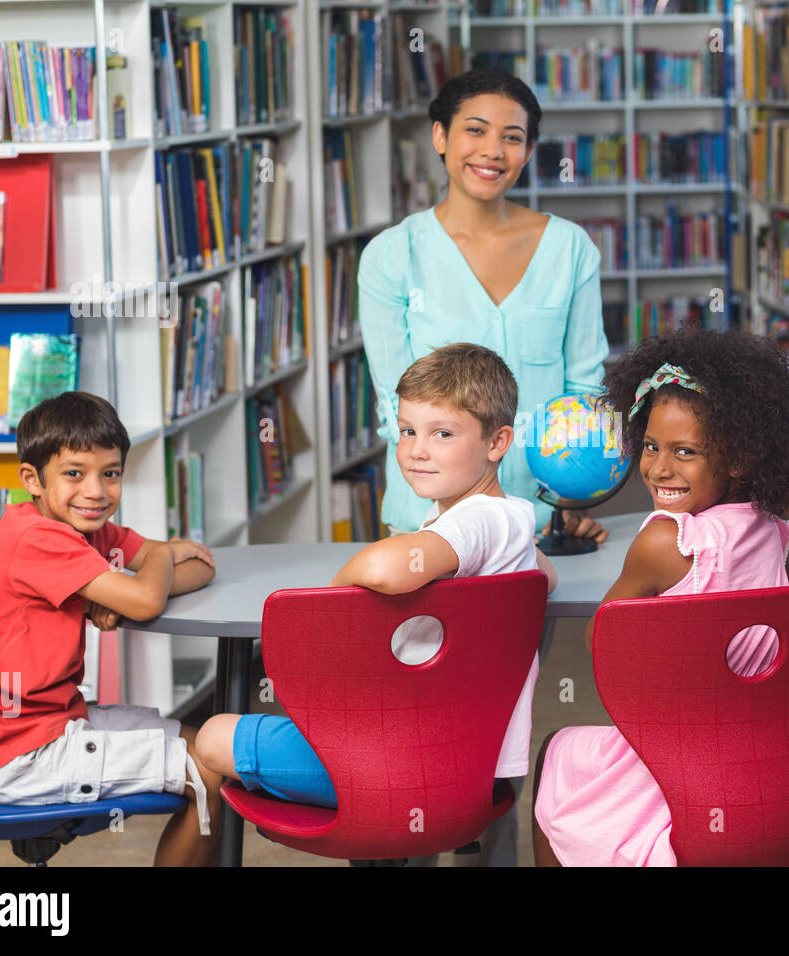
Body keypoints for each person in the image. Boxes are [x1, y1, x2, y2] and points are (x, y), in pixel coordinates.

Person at [197, 343, 557, 864]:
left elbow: (388, 568)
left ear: (498, 442)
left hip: (391, 764)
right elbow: (542, 579)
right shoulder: (515, 520)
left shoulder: (476, 520)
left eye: (443, 433)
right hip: (464, 764)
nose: (417, 450)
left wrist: (333, 606)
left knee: (211, 736)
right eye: (408, 430)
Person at [531, 327, 789, 866]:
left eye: (684, 452)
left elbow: (603, 644)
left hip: (673, 766)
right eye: (652, 446)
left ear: (739, 459)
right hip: (755, 759)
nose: (659, 469)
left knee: (556, 752)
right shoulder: (775, 532)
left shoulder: (668, 540)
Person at [0, 392, 221, 866]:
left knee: (209, 743)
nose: (96, 491)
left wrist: (119, 586)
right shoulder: (37, 537)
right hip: (20, 757)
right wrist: (148, 566)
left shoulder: (85, 528)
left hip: (51, 725)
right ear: (32, 479)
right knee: (211, 772)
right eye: (74, 473)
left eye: (110, 473)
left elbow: (198, 563)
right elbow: (151, 591)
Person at [358, 67, 610, 545]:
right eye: (475, 130)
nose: (493, 151)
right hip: (428, 521)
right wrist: (472, 519)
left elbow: (584, 390)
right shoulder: (391, 256)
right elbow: (396, 406)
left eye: (511, 137)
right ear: (440, 136)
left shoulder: (570, 249)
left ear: (529, 152)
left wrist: (569, 499)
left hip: (541, 517)